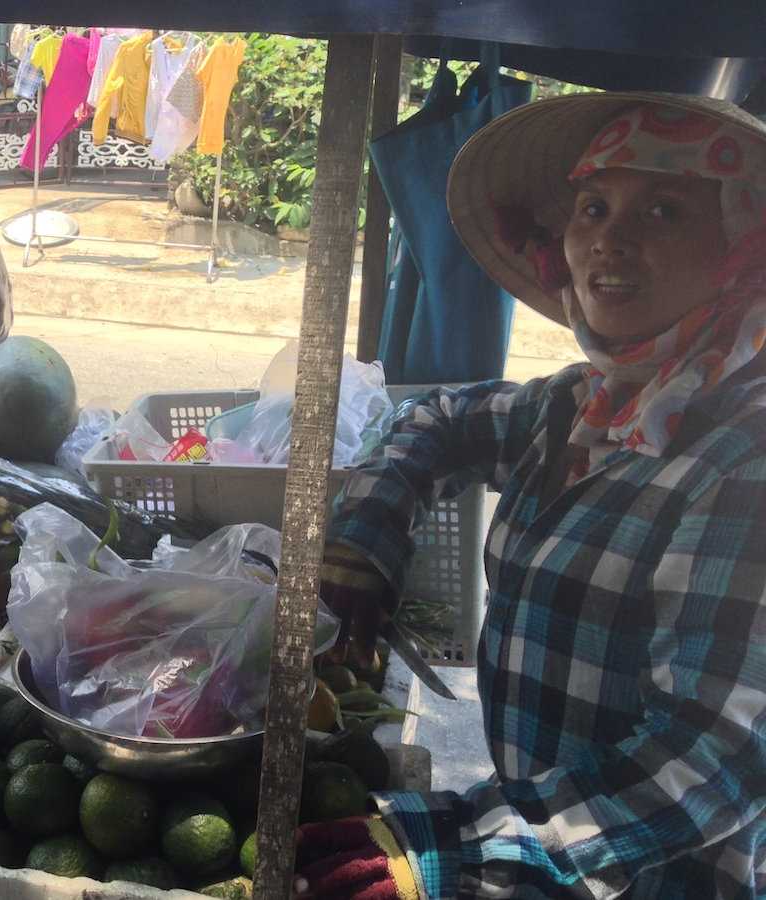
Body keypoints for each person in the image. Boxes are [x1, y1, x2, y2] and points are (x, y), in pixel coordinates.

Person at [302, 92, 766, 898]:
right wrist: (364, 541)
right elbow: (438, 419)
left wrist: (451, 851)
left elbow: (713, 757)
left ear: (741, 247)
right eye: (593, 206)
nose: (609, 239)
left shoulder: (744, 459)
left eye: (663, 209)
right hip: (536, 849)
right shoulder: (578, 407)